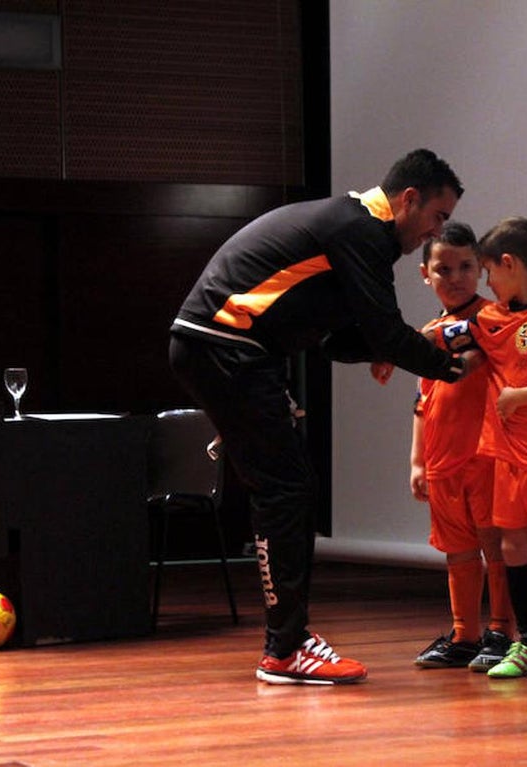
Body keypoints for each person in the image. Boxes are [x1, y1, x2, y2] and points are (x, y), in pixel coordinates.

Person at [169, 148, 477, 685]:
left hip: (221, 348)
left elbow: (336, 341)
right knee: (286, 491)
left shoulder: (347, 224)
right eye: (437, 217)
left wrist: (388, 346)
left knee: (287, 489)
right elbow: (384, 331)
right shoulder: (362, 232)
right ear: (409, 199)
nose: (436, 231)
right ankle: (286, 649)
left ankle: (287, 644)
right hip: (227, 348)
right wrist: (452, 366)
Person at [438, 217, 527, 684]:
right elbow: (443, 334)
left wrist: (518, 397)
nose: (487, 284)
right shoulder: (490, 319)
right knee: (513, 548)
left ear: (510, 264)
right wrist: (389, 351)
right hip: (505, 455)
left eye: (488, 273)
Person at [408, 221, 514, 672]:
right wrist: (417, 461)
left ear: (481, 269)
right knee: (458, 550)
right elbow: (422, 401)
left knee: (495, 545)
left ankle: (502, 632)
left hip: (485, 455)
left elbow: (471, 356)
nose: (456, 278)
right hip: (442, 460)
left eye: (466, 267)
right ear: (425, 274)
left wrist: (408, 345)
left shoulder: (493, 319)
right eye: (444, 269)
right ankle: (464, 634)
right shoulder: (430, 329)